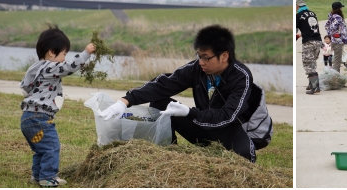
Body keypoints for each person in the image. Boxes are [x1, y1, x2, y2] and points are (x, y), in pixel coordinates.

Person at [99, 25, 260, 162]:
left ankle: (240, 150)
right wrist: (125, 101)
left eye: (206, 58)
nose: (201, 62)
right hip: (202, 126)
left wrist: (190, 113)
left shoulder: (241, 77)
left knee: (244, 156)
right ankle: (170, 157)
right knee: (161, 103)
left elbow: (227, 116)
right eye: (199, 56)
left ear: (224, 56)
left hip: (229, 129)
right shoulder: (197, 69)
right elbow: (163, 85)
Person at [19, 24, 95, 187]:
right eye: (64, 54)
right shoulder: (50, 67)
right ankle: (47, 177)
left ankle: (38, 175)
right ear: (51, 52)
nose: (64, 59)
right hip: (40, 118)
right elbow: (69, 67)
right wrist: (86, 53)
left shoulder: (34, 68)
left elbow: (24, 88)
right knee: (52, 147)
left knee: (41, 148)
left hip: (27, 118)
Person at [296, 0, 323, 95]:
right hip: (318, 41)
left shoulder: (298, 15)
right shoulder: (313, 14)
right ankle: (311, 84)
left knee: (308, 65)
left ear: (297, 6)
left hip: (309, 42)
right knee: (312, 62)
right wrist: (301, 34)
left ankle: (315, 87)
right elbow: (310, 29)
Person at [325, 1, 347, 73]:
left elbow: (326, 26)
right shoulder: (338, 17)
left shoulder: (331, 16)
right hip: (338, 41)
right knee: (337, 61)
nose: (342, 9)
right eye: (341, 7)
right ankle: (335, 77)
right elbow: (333, 27)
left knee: (336, 59)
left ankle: (335, 76)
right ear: (339, 8)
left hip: (334, 40)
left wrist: (330, 35)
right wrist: (337, 34)